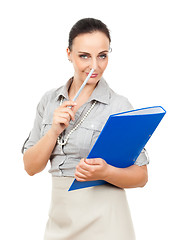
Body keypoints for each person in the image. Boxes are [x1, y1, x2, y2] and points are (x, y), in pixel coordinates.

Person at [22, 18, 149, 240]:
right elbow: (30, 167)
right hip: (60, 222)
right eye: (84, 56)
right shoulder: (49, 101)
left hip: (107, 223)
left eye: (102, 55)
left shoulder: (119, 106)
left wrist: (105, 172)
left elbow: (141, 177)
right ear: (68, 53)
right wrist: (52, 131)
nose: (95, 66)